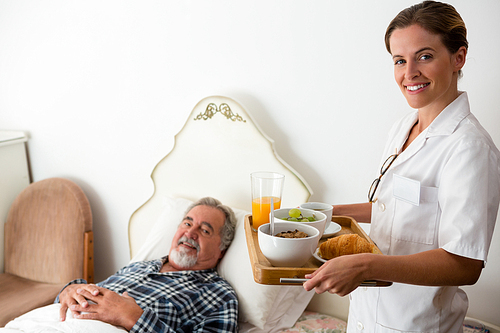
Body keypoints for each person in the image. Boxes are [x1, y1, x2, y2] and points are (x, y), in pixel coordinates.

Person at [303, 1, 500, 332]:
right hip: (368, 316)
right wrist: (325, 212)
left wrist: (366, 266)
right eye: (399, 60)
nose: (409, 73)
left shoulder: (469, 148)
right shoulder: (404, 127)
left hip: (416, 323)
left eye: (424, 56)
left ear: (458, 58)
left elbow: (465, 263)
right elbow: (394, 206)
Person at [56, 197, 238, 333]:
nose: (190, 233)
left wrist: (134, 318)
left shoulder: (220, 296)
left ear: (221, 250)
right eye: (187, 223)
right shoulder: (138, 266)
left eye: (205, 230)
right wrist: (71, 290)